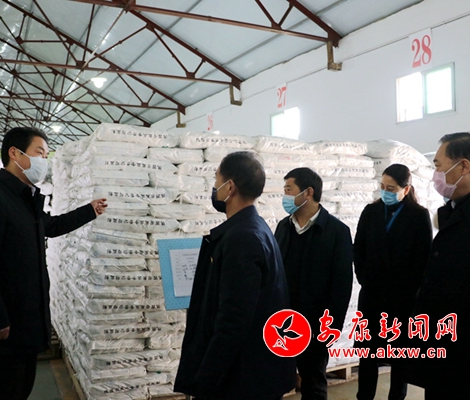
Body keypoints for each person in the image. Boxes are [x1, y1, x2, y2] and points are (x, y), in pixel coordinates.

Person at [0, 127, 107, 400]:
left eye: (46, 154)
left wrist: (89, 210)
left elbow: (51, 226)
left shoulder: (24, 199)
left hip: (25, 322)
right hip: (4, 326)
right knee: (3, 393)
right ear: (14, 153)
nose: (44, 160)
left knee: (20, 390)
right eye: (39, 153)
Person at [175, 151, 296, 400]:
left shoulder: (243, 238)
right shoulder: (255, 228)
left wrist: (207, 378)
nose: (214, 187)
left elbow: (233, 318)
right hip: (252, 371)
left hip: (243, 378)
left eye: (216, 180)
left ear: (229, 187)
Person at [407, 132, 470, 399]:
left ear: (463, 166)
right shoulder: (457, 209)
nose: (435, 175)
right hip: (444, 351)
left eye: (438, 166)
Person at [353, 164, 432, 400]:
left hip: (402, 300)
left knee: (399, 357)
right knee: (368, 355)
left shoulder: (418, 216)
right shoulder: (371, 212)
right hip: (372, 296)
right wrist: (365, 278)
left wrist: (408, 290)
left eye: (391, 188)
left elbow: (423, 259)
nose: (385, 192)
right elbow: (359, 249)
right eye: (382, 187)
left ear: (405, 189)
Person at [274, 167, 353, 400]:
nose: (285, 195)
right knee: (275, 379)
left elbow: (342, 285)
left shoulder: (337, 232)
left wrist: (331, 326)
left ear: (308, 192)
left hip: (315, 324)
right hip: (284, 321)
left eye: (289, 189)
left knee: (313, 382)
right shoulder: (283, 227)